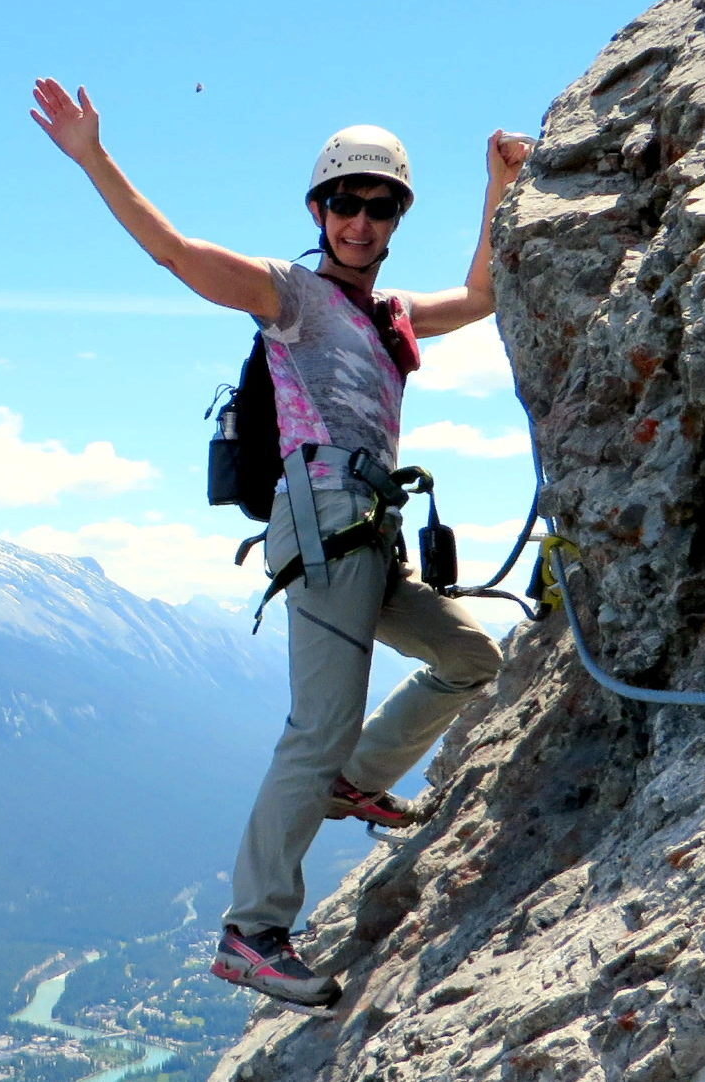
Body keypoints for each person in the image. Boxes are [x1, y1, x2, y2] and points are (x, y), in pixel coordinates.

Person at [30, 77, 532, 1007]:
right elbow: (180, 256)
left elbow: (482, 293)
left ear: (393, 220)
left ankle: (353, 785)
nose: (362, 222)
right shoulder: (290, 297)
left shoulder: (392, 317)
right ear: (319, 208)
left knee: (472, 655)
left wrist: (497, 185)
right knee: (319, 720)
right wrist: (92, 155)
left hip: (370, 537)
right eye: (347, 203)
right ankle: (252, 931)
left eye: (381, 208)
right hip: (323, 531)